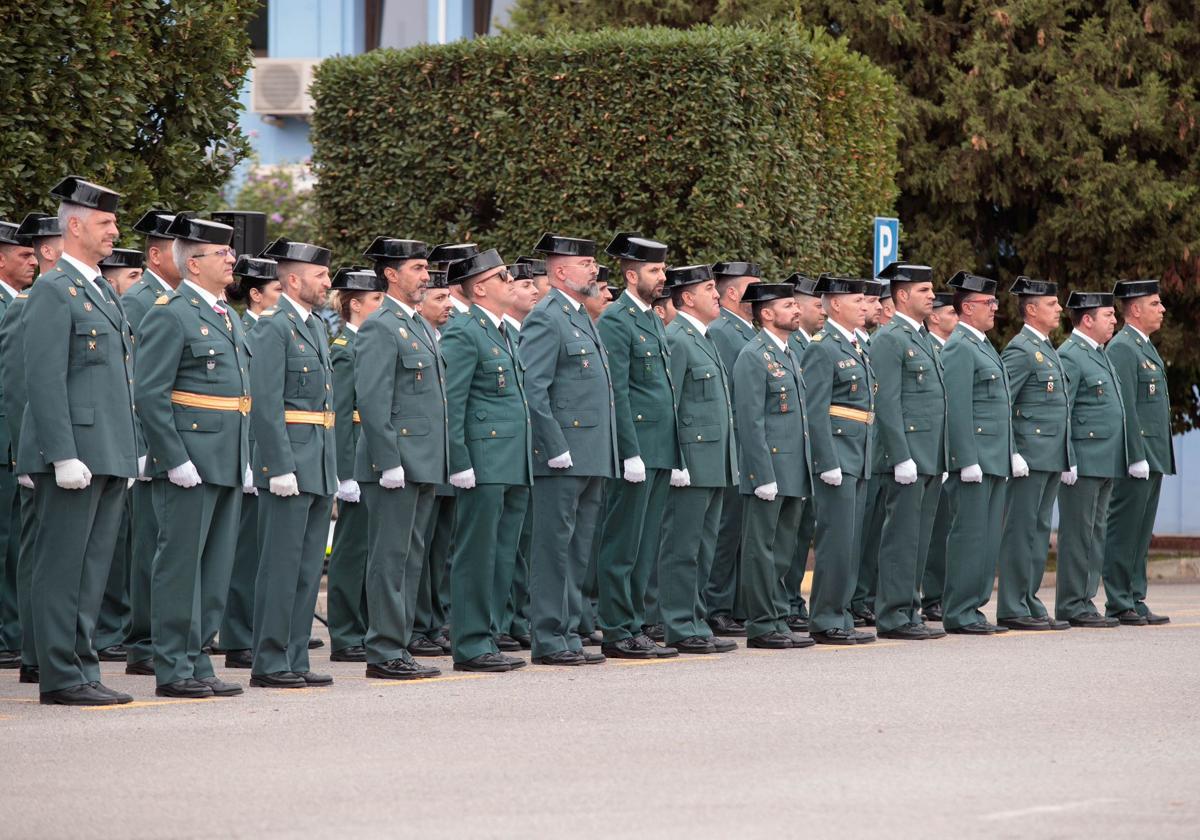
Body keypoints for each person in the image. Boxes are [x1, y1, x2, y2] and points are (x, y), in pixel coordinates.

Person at [20, 176, 138, 705]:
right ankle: (61, 676)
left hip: (107, 447)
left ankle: (83, 667)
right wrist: (61, 453)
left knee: (92, 569)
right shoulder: (52, 289)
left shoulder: (96, 289)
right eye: (105, 222)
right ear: (74, 225)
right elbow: (44, 379)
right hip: (73, 451)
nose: (114, 230)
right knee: (63, 567)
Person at [134, 215, 250, 698]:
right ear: (194, 263)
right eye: (221, 253)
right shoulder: (170, 311)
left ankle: (198, 657)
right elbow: (150, 392)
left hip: (226, 453)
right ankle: (174, 666)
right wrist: (173, 457)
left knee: (215, 566)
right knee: (180, 564)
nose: (231, 258)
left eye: (229, 251)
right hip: (190, 458)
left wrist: (246, 455)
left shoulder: (227, 313)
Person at [521, 233, 618, 666]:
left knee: (579, 548)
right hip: (562, 456)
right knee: (554, 548)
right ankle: (547, 636)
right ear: (561, 271)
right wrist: (554, 445)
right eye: (586, 263)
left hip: (591, 451)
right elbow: (533, 388)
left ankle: (569, 631)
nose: (594, 270)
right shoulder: (548, 317)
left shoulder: (579, 316)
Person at [355, 237, 448, 680]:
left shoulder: (415, 325)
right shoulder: (382, 325)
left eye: (426, 268)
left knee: (410, 558)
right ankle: (384, 649)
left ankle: (399, 643)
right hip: (397, 463)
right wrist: (387, 460)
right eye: (417, 268)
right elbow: (373, 400)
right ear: (391, 275)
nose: (426, 276)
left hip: (424, 459)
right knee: (390, 558)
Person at [247, 237, 337, 689]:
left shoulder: (316, 326)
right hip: (289, 461)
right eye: (321, 275)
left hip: (317, 459)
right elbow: (265, 403)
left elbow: (325, 406)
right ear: (294, 278)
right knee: (280, 566)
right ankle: (269, 660)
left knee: (305, 568)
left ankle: (296, 655)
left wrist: (331, 468)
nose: (328, 282)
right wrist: (278, 466)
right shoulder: (272, 326)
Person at [441, 250, 533, 672]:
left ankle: (489, 636)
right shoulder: (465, 331)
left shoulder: (501, 331)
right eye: (502, 276)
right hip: (484, 460)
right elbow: (452, 400)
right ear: (479, 287)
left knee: (501, 555)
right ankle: (472, 643)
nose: (511, 280)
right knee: (477, 554)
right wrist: (459, 461)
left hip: (511, 460)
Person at [594, 233, 679, 659]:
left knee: (646, 545)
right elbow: (619, 393)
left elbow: (663, 391)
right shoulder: (616, 320)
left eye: (662, 269)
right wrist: (629, 451)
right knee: (622, 544)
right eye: (654, 270)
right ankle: (615, 627)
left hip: (660, 448)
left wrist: (674, 452)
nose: (662, 276)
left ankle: (636, 623)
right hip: (638, 448)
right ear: (631, 275)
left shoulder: (649, 318)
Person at [657, 264, 738, 655]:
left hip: (713, 460)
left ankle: (696, 619)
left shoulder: (701, 337)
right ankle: (677, 623)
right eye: (709, 289)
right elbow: (669, 404)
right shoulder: (677, 339)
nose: (717, 295)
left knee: (704, 547)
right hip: (690, 460)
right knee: (682, 548)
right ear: (687, 297)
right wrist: (677, 462)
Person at [732, 282, 814, 650]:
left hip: (794, 468)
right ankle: (762, 624)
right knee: (761, 549)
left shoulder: (788, 353)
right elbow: (750, 421)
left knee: (783, 551)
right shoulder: (754, 355)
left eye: (796, 305)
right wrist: (760, 473)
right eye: (788, 305)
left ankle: (778, 616)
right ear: (766, 313)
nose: (796, 310)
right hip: (769, 471)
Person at [869, 263, 948, 641]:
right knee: (901, 538)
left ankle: (910, 609)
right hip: (908, 457)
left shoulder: (923, 338)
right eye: (924, 290)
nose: (932, 296)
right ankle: (894, 614)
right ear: (902, 295)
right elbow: (887, 401)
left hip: (930, 455)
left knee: (918, 538)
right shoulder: (890, 338)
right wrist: (900, 455)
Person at [0, 213, 62, 685]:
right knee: (24, 546)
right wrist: (28, 450)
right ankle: (23, 643)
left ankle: (27, 642)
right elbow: (19, 385)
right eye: (22, 253)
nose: (29, 262)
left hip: (34, 443)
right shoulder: (27, 303)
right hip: (24, 442)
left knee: (31, 544)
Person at [121, 209, 183, 676]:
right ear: (157, 254)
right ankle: (145, 643)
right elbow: (137, 381)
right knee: (151, 548)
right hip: (152, 444)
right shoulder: (141, 299)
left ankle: (166, 637)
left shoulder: (176, 299)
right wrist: (140, 445)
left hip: (178, 441)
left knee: (169, 546)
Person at [801, 274, 877, 645]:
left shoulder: (854, 345)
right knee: (835, 539)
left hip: (859, 452)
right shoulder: (823, 347)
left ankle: (842, 612)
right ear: (835, 305)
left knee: (851, 539)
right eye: (857, 301)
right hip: (839, 452)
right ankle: (826, 616)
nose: (865, 307)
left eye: (866, 301)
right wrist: (826, 459)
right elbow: (815, 410)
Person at [996, 277, 1072, 631]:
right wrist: (1012, 452)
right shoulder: (1021, 350)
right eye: (1051, 304)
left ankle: (1029, 600)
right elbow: (1003, 404)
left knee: (1039, 531)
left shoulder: (1046, 348)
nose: (1059, 309)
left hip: (1050, 455)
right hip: (1029, 455)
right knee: (1020, 530)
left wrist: (1067, 454)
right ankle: (1012, 605)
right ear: (1031, 309)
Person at [941, 271, 1013, 635]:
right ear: (967, 307)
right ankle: (959, 610)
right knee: (969, 536)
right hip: (975, 460)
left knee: (987, 538)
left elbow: (1000, 407)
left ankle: (975, 607)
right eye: (989, 303)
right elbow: (957, 407)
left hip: (994, 457)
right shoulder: (959, 346)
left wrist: (1009, 452)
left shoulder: (983, 344)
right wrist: (965, 458)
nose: (995, 308)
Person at [219, 255, 281, 668]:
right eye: (277, 290)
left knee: (258, 550)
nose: (283, 296)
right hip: (250, 452)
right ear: (256, 295)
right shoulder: (248, 330)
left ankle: (256, 629)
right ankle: (238, 635)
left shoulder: (274, 330)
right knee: (243, 554)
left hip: (260, 455)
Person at [1103, 279, 1174, 625]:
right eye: (1155, 303)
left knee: (1141, 531)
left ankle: (1135, 596)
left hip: (1154, 451)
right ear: (1134, 309)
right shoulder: (1123, 348)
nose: (1162, 309)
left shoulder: (1143, 346)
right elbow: (1126, 408)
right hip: (1138, 454)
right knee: (1124, 529)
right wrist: (1135, 455)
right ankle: (1118, 599)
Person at [326, 266, 386, 663]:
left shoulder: (371, 343)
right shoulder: (344, 348)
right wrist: (344, 473)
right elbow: (343, 415)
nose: (383, 306)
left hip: (375, 454)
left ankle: (364, 625)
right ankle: (346, 633)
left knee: (372, 547)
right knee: (351, 549)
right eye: (376, 299)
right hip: (357, 456)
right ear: (355, 305)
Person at [1055, 292, 1123, 628]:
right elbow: (1062, 410)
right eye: (1108, 315)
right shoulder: (1071, 355)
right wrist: (1067, 458)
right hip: (1083, 457)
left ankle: (1084, 599)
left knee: (1095, 532)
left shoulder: (1099, 354)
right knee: (1079, 532)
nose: (1114, 320)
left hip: (1104, 458)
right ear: (1087, 319)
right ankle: (1071, 602)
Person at [702, 261, 761, 638]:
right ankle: (717, 604)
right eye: (753, 289)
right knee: (725, 530)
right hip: (733, 440)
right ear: (734, 293)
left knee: (739, 528)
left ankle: (734, 603)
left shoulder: (742, 330)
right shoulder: (723, 330)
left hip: (745, 443)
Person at [410, 267, 455, 657]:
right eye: (439, 298)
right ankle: (417, 624)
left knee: (438, 551)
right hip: (419, 455)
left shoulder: (437, 338)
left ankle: (432, 621)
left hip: (440, 456)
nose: (448, 305)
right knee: (419, 551)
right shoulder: (418, 336)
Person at [0, 220, 38, 670]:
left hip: (18, 438)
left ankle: (14, 632)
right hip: (5, 436)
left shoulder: (24, 302)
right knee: (5, 541)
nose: (32, 261)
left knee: (17, 545)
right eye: (24, 255)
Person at [497, 263, 540, 648]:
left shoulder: (516, 337)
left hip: (519, 454)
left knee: (517, 547)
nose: (531, 291)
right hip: (494, 455)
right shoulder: (496, 334)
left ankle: (514, 620)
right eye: (524, 284)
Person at [781, 273, 825, 631]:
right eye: (814, 303)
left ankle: (792, 599)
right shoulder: (791, 344)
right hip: (793, 452)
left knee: (801, 531)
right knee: (789, 536)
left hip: (808, 453)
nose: (821, 309)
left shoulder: (811, 343)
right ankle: (785, 601)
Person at [850, 279, 888, 627]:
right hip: (857, 452)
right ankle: (855, 598)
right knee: (857, 532)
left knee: (871, 531)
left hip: (870, 451)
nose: (871, 307)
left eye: (874, 301)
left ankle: (863, 597)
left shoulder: (865, 344)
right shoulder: (856, 344)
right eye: (864, 301)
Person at [920, 291, 958, 622]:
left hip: (947, 452)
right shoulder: (927, 348)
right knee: (932, 533)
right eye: (950, 312)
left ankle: (941, 593)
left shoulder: (950, 351)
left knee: (945, 528)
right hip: (929, 451)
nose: (957, 318)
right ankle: (931, 596)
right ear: (934, 317)